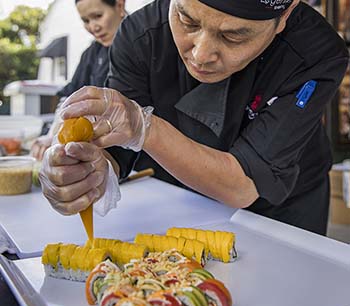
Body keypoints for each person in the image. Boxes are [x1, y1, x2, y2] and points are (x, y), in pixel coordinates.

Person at [39, 0, 349, 235]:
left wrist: (145, 127)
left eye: (234, 36)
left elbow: (245, 184)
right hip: (184, 195)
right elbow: (116, 149)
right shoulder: (139, 36)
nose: (201, 55)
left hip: (286, 208)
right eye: (186, 20)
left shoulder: (315, 51)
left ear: (284, 15)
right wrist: (88, 171)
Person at [30, 0, 126, 160]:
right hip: (103, 155)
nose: (94, 27)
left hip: (145, 158)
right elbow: (68, 97)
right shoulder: (91, 53)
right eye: (86, 20)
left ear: (120, 6)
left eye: (98, 16)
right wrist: (51, 136)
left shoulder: (141, 45)